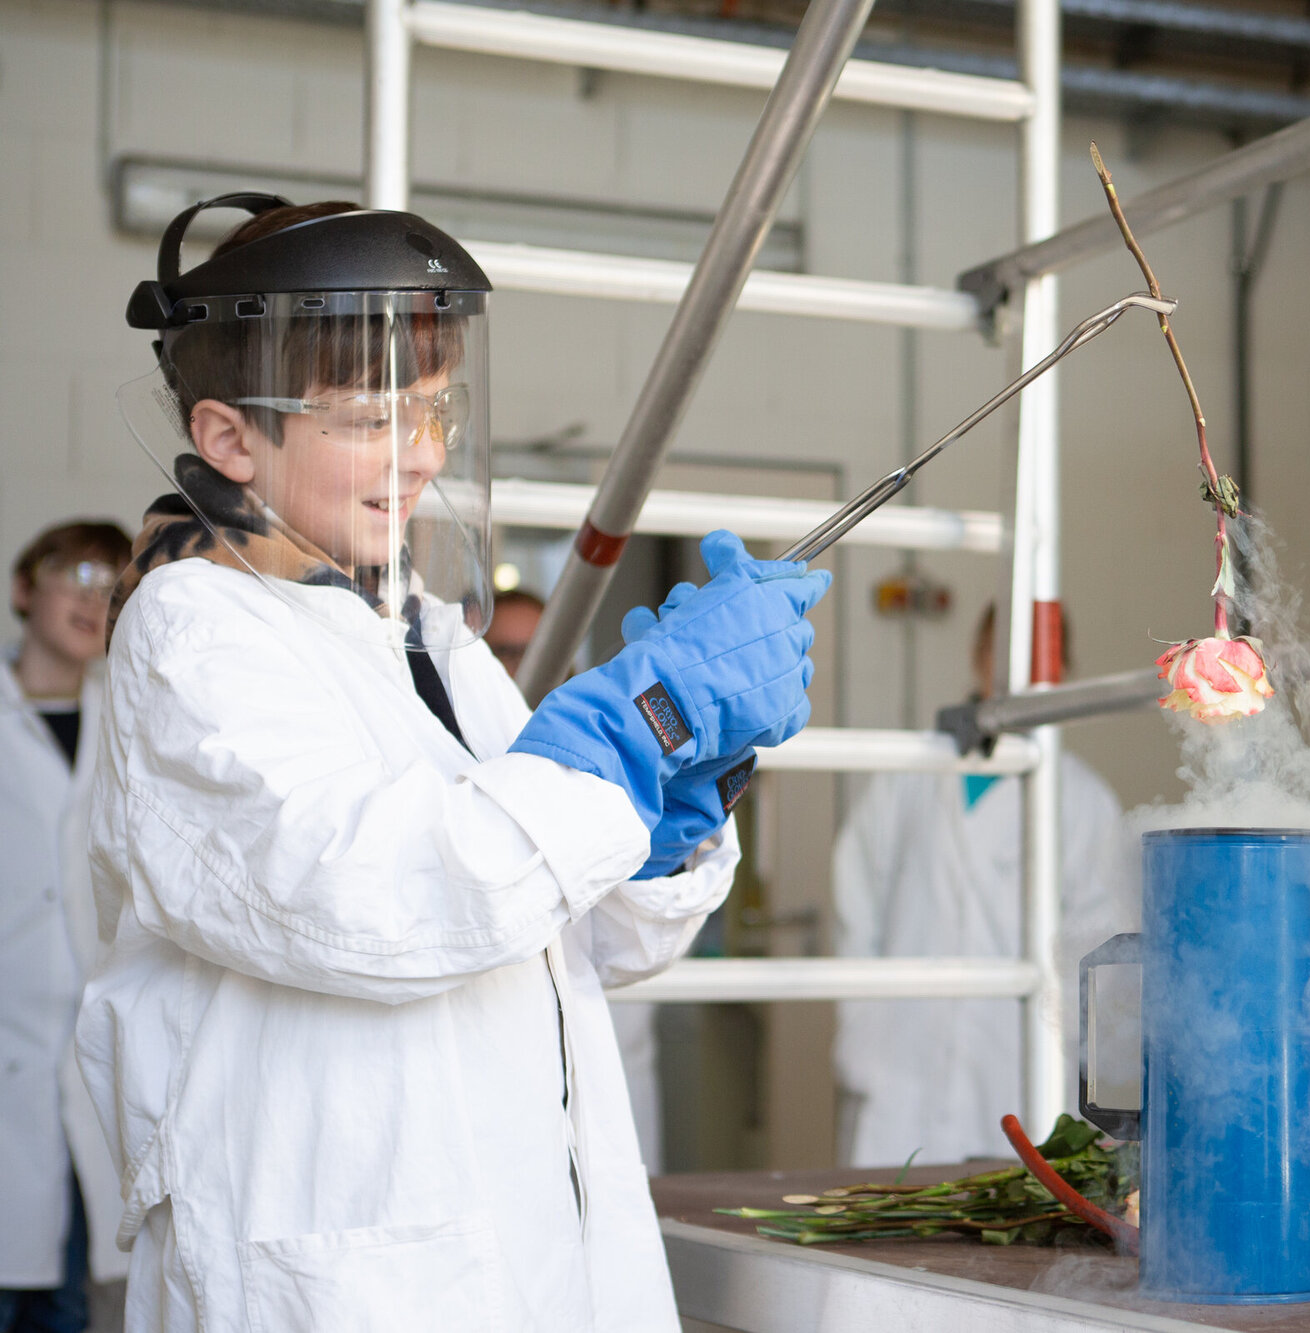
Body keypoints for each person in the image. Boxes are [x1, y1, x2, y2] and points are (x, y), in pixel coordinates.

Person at [81, 195, 826, 1331]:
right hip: (344, 1268)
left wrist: (668, 800)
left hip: (524, 1243)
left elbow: (577, 937)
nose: (422, 455)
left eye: (435, 410)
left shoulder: (428, 633)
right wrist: (642, 721)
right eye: (372, 418)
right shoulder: (195, 629)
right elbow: (369, 903)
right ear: (231, 437)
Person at [831, 605, 1139, 1167]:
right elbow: (857, 899)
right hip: (901, 1054)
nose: (1017, 668)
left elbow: (1100, 956)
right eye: (1003, 649)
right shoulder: (907, 771)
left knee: (1005, 1217)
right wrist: (862, 1030)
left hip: (1017, 1062)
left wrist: (1087, 1075)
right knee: (888, 1211)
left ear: (1063, 672)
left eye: (1038, 655)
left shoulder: (1083, 800)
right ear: (977, 655)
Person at [2, 522, 132, 1333]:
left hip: (92, 1070)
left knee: (73, 1301)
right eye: (74, 573)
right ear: (24, 588)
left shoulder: (133, 728)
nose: (93, 596)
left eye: (112, 583)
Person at [485, 584, 664, 1173]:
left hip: (604, 1047)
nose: (524, 667)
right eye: (504, 651)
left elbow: (642, 930)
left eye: (542, 648)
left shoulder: (602, 757)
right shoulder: (465, 763)